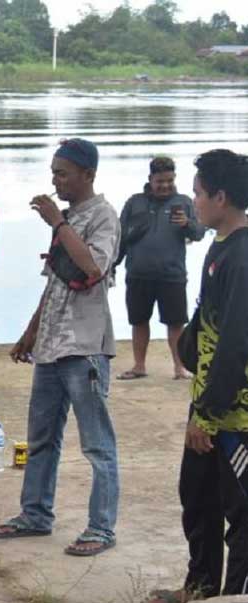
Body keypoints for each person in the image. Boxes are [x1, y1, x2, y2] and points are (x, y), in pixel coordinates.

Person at [0, 138, 121, 557]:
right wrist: (30, 333)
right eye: (53, 173)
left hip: (85, 349)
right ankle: (35, 514)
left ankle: (101, 528)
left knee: (97, 444)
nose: (55, 181)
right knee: (42, 438)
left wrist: (57, 224)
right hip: (52, 348)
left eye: (62, 173)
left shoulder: (103, 218)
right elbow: (55, 284)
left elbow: (93, 268)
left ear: (88, 175)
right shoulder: (68, 218)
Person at [147, 149, 248, 603]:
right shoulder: (218, 245)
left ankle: (231, 596)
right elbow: (206, 325)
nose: (193, 200)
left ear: (221, 198)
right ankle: (200, 588)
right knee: (198, 499)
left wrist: (207, 416)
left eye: (199, 193)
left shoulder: (243, 257)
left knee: (242, 516)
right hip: (207, 401)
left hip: (235, 418)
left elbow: (235, 345)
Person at [117, 156, 205, 381]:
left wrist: (187, 224)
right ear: (150, 179)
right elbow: (119, 237)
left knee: (175, 323)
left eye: (169, 180)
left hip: (172, 275)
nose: (165, 185)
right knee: (138, 321)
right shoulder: (134, 202)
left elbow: (199, 232)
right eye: (160, 181)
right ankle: (139, 366)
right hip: (138, 274)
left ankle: (179, 367)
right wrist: (111, 265)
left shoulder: (185, 202)